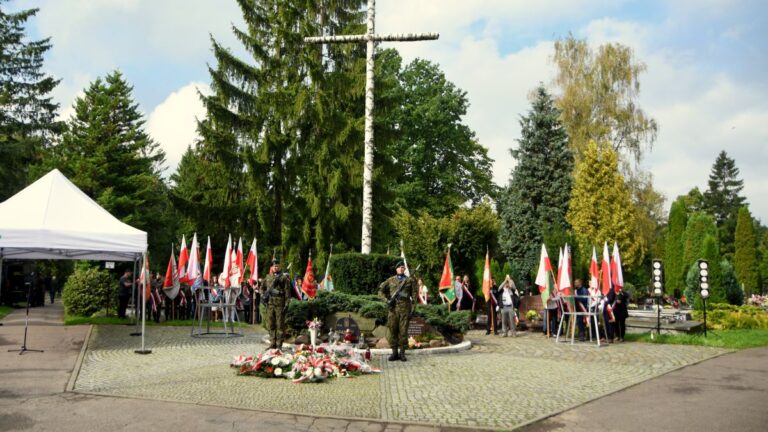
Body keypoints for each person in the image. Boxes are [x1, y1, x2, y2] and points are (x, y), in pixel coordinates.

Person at [378, 261, 417, 361]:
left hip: (405, 309)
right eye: (399, 267)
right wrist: (387, 301)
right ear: (396, 269)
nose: (401, 269)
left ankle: (402, 353)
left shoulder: (410, 280)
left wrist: (413, 309)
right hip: (393, 309)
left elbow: (414, 295)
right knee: (393, 330)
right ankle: (394, 353)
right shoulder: (390, 280)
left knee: (403, 332)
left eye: (403, 267)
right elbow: (380, 291)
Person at [263, 258, 291, 349]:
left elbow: (287, 292)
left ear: (280, 267)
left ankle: (279, 345)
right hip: (270, 304)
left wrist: (287, 303)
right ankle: (272, 343)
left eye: (277, 266)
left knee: (280, 325)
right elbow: (262, 288)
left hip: (280, 304)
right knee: (271, 324)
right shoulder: (268, 277)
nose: (276, 267)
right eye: (274, 266)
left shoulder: (283, 278)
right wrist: (263, 296)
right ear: (272, 267)